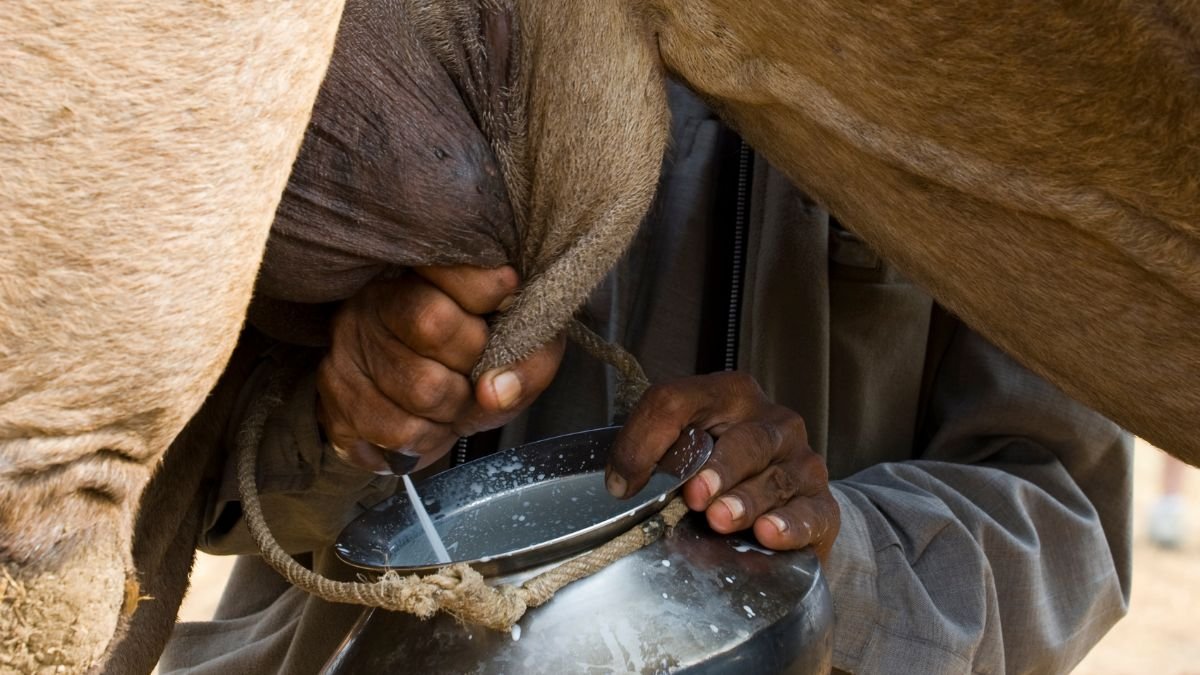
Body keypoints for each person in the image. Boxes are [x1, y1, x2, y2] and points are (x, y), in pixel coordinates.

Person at [159, 84, 1131, 674]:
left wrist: (834, 549)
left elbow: (1067, 524)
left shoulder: (1010, 66)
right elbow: (189, 480)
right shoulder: (369, 29)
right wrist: (345, 412)